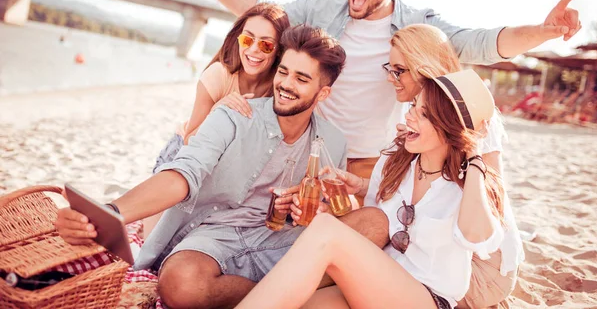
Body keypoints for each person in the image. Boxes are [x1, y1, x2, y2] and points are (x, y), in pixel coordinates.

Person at [180, 0, 582, 203]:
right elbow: (261, 13)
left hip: (372, 160)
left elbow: (476, 43)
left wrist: (543, 30)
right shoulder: (321, 8)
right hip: (310, 152)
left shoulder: (416, 23)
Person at [55, 25, 388, 309]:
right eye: (283, 72)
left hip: (283, 242)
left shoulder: (334, 140)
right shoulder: (233, 115)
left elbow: (327, 211)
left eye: (302, 79)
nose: (286, 84)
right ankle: (285, 293)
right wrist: (112, 211)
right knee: (180, 285)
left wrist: (311, 213)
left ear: (323, 92)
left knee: (374, 223)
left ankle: (283, 289)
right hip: (216, 238)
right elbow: (182, 175)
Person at [289, 24, 523, 308]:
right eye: (390, 68)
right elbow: (422, 192)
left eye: (399, 70)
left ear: (422, 69)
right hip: (426, 249)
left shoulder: (470, 115)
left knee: (359, 246)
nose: (391, 78)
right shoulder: (415, 116)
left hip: (479, 264)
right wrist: (362, 185)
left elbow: (486, 203)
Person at [237, 68, 505, 309]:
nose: (410, 117)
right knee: (307, 303)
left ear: (450, 129)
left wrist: (476, 162)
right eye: (414, 106)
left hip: (426, 298)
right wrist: (339, 202)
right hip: (372, 285)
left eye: (423, 114)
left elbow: (477, 239)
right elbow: (375, 217)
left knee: (327, 231)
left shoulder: (469, 184)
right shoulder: (394, 161)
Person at [144, 2, 289, 236]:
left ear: (279, 50)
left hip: (225, 172)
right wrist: (219, 111)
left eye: (265, 44)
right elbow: (191, 138)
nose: (253, 50)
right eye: (247, 40)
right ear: (238, 38)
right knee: (150, 241)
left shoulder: (278, 90)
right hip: (183, 155)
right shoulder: (218, 75)